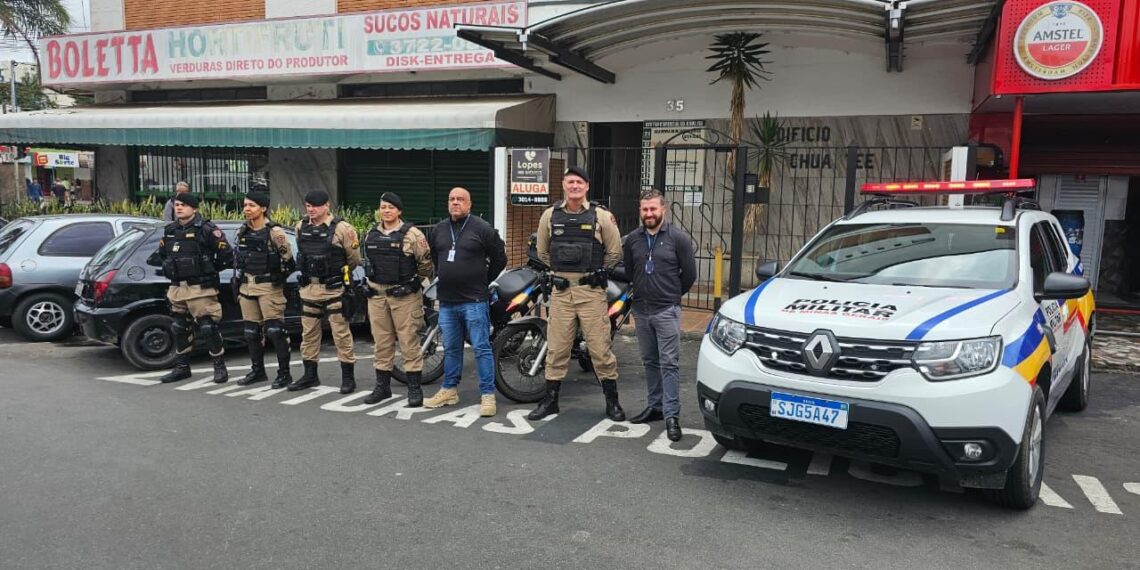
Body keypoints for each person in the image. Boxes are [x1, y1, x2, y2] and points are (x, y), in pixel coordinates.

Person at [528, 166, 625, 421]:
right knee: (557, 349)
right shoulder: (550, 215)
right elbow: (542, 252)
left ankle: (612, 403)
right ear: (563, 185)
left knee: (600, 349)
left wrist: (595, 272)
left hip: (591, 293)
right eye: (570, 182)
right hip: (561, 294)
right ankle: (550, 401)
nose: (574, 186)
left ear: (587, 187)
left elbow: (615, 252)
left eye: (579, 182)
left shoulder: (601, 216)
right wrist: (561, 271)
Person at [422, 187, 506, 417]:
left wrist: (483, 280)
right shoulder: (438, 230)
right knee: (451, 348)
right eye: (451, 199)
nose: (455, 203)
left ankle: (488, 395)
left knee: (481, 348)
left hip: (474, 300)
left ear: (469, 204)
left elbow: (500, 257)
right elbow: (437, 259)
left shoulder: (482, 228)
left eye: (460, 199)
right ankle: (449, 389)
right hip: (447, 301)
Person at [623, 189, 697, 442]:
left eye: (653, 209)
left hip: (666, 310)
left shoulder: (679, 239)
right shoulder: (633, 239)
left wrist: (671, 295)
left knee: (669, 364)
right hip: (641, 311)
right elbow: (630, 272)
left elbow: (689, 275)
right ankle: (655, 407)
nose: (649, 214)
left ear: (663, 209)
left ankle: (671, 415)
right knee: (649, 361)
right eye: (644, 209)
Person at [146, 192, 233, 383]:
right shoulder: (170, 230)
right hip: (178, 287)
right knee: (179, 328)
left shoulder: (207, 229)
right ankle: (182, 367)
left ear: (194, 208)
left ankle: (219, 367)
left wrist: (210, 269)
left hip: (201, 288)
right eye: (176, 204)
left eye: (183, 205)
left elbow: (227, 254)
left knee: (208, 327)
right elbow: (161, 255)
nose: (178, 208)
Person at [361, 192, 434, 407]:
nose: (386, 211)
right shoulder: (371, 234)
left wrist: (415, 283)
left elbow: (426, 264)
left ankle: (414, 389)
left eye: (390, 207)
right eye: (383, 207)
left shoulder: (413, 235)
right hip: (377, 297)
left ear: (399, 211)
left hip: (404, 297)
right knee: (382, 343)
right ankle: (382, 387)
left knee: (409, 342)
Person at [292, 189, 361, 394]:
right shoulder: (300, 227)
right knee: (309, 334)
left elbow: (353, 259)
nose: (311, 209)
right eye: (308, 206)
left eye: (315, 206)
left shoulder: (342, 229)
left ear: (326, 206)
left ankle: (348, 378)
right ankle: (310, 375)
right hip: (309, 289)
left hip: (334, 289)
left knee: (341, 334)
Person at [234, 189, 296, 389]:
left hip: (269, 287)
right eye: (245, 205)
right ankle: (257, 371)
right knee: (251, 332)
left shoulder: (274, 232)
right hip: (247, 286)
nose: (247, 209)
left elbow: (289, 261)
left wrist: (278, 277)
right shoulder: (243, 230)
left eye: (251, 205)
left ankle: (284, 374)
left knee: (275, 330)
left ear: (263, 208)